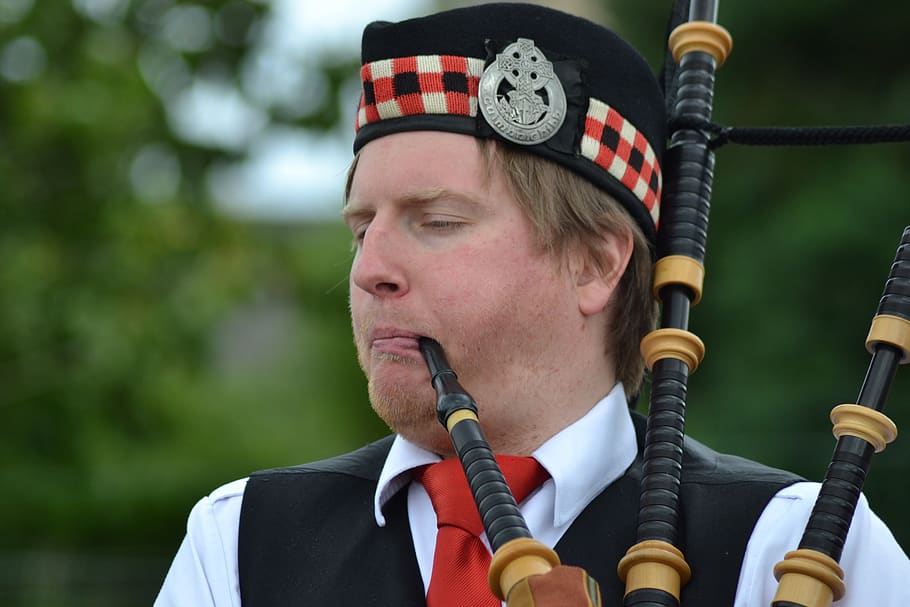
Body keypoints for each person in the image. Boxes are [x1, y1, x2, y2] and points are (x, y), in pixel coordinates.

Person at [155, 3, 910, 606]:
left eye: (437, 221)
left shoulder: (790, 547)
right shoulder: (242, 542)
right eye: (361, 228)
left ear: (594, 262)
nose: (370, 269)